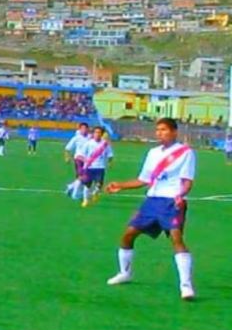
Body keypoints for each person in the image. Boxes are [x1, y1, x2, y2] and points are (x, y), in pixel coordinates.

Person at [105, 118, 196, 301]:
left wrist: (181, 195)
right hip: (152, 201)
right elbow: (144, 180)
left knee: (176, 239)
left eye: (163, 130)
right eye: (157, 130)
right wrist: (121, 185)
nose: (159, 133)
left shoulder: (186, 153)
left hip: (171, 201)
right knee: (128, 234)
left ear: (174, 132)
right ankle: (125, 273)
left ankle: (186, 285)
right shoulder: (153, 153)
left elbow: (187, 181)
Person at [78, 126, 114, 207]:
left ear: (101, 134)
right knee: (87, 185)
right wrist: (86, 160)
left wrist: (110, 162)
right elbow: (80, 155)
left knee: (99, 185)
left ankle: (95, 193)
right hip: (89, 167)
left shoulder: (105, 144)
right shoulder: (88, 143)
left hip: (100, 167)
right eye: (95, 132)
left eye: (99, 133)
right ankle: (85, 200)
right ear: (93, 133)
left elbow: (110, 155)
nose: (97, 134)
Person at [64, 123, 91, 198]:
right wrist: (67, 157)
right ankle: (75, 194)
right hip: (78, 159)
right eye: (82, 128)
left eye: (85, 128)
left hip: (88, 161)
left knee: (85, 177)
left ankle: (71, 187)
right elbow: (67, 148)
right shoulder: (76, 138)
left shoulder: (90, 137)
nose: (84, 130)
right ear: (79, 129)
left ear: (88, 129)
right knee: (81, 176)